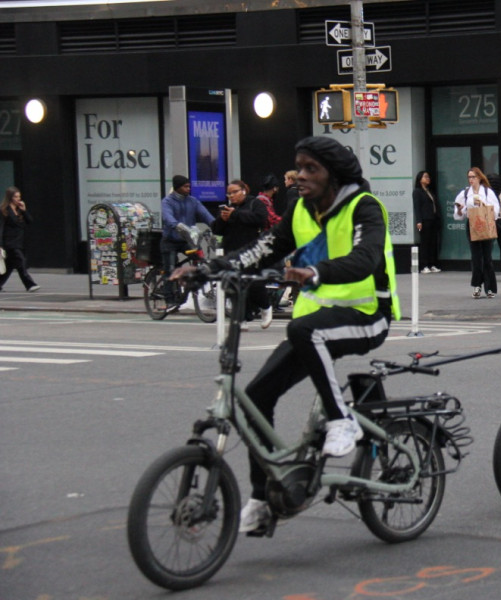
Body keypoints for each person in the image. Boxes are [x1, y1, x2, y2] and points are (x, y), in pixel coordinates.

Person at [173, 136, 400, 535]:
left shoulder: (364, 207)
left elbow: (365, 259)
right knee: (258, 397)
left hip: (368, 315)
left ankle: (341, 421)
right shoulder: (300, 210)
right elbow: (265, 249)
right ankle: (265, 497)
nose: (299, 176)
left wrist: (317, 271)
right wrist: (210, 268)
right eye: (298, 167)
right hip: (314, 326)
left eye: (311, 168)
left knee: (302, 329)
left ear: (335, 174)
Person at [211, 179, 273, 328]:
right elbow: (216, 229)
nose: (231, 196)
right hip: (231, 250)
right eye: (229, 193)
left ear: (243, 191)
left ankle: (265, 307)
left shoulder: (254, 203)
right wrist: (223, 219)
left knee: (253, 282)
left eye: (234, 192)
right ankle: (242, 318)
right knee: (235, 285)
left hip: (251, 249)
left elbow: (261, 220)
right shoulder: (227, 208)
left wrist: (236, 214)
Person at [159, 175, 214, 306]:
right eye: (185, 186)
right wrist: (177, 225)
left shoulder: (193, 201)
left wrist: (216, 226)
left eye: (189, 186)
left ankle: (191, 287)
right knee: (170, 268)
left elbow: (206, 215)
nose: (188, 189)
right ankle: (169, 299)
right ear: (177, 187)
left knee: (199, 259)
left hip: (187, 239)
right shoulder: (167, 201)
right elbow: (168, 217)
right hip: (170, 240)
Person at [453, 167, 500, 298]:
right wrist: (460, 209)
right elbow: (458, 215)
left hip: (485, 223)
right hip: (472, 224)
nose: (471, 180)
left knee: (487, 256)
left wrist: (482, 204)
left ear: (479, 177)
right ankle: (477, 285)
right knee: (476, 257)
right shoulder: (465, 193)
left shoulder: (487, 192)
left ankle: (490, 287)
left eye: (473, 177)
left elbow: (495, 211)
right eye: (469, 177)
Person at [0, 187, 39, 292]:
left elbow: (30, 221)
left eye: (19, 196)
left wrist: (24, 210)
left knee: (9, 266)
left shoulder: (19, 210)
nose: (18, 199)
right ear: (10, 198)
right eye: (15, 197)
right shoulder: (4, 210)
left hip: (19, 242)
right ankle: (30, 284)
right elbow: (1, 228)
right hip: (9, 242)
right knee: (21, 262)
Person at [412, 170, 441, 274]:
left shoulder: (429, 191)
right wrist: (419, 221)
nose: (428, 178)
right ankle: (424, 265)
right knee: (425, 243)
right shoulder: (417, 192)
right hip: (424, 220)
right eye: (425, 177)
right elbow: (417, 207)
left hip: (433, 219)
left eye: (428, 177)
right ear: (420, 179)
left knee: (433, 242)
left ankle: (432, 264)